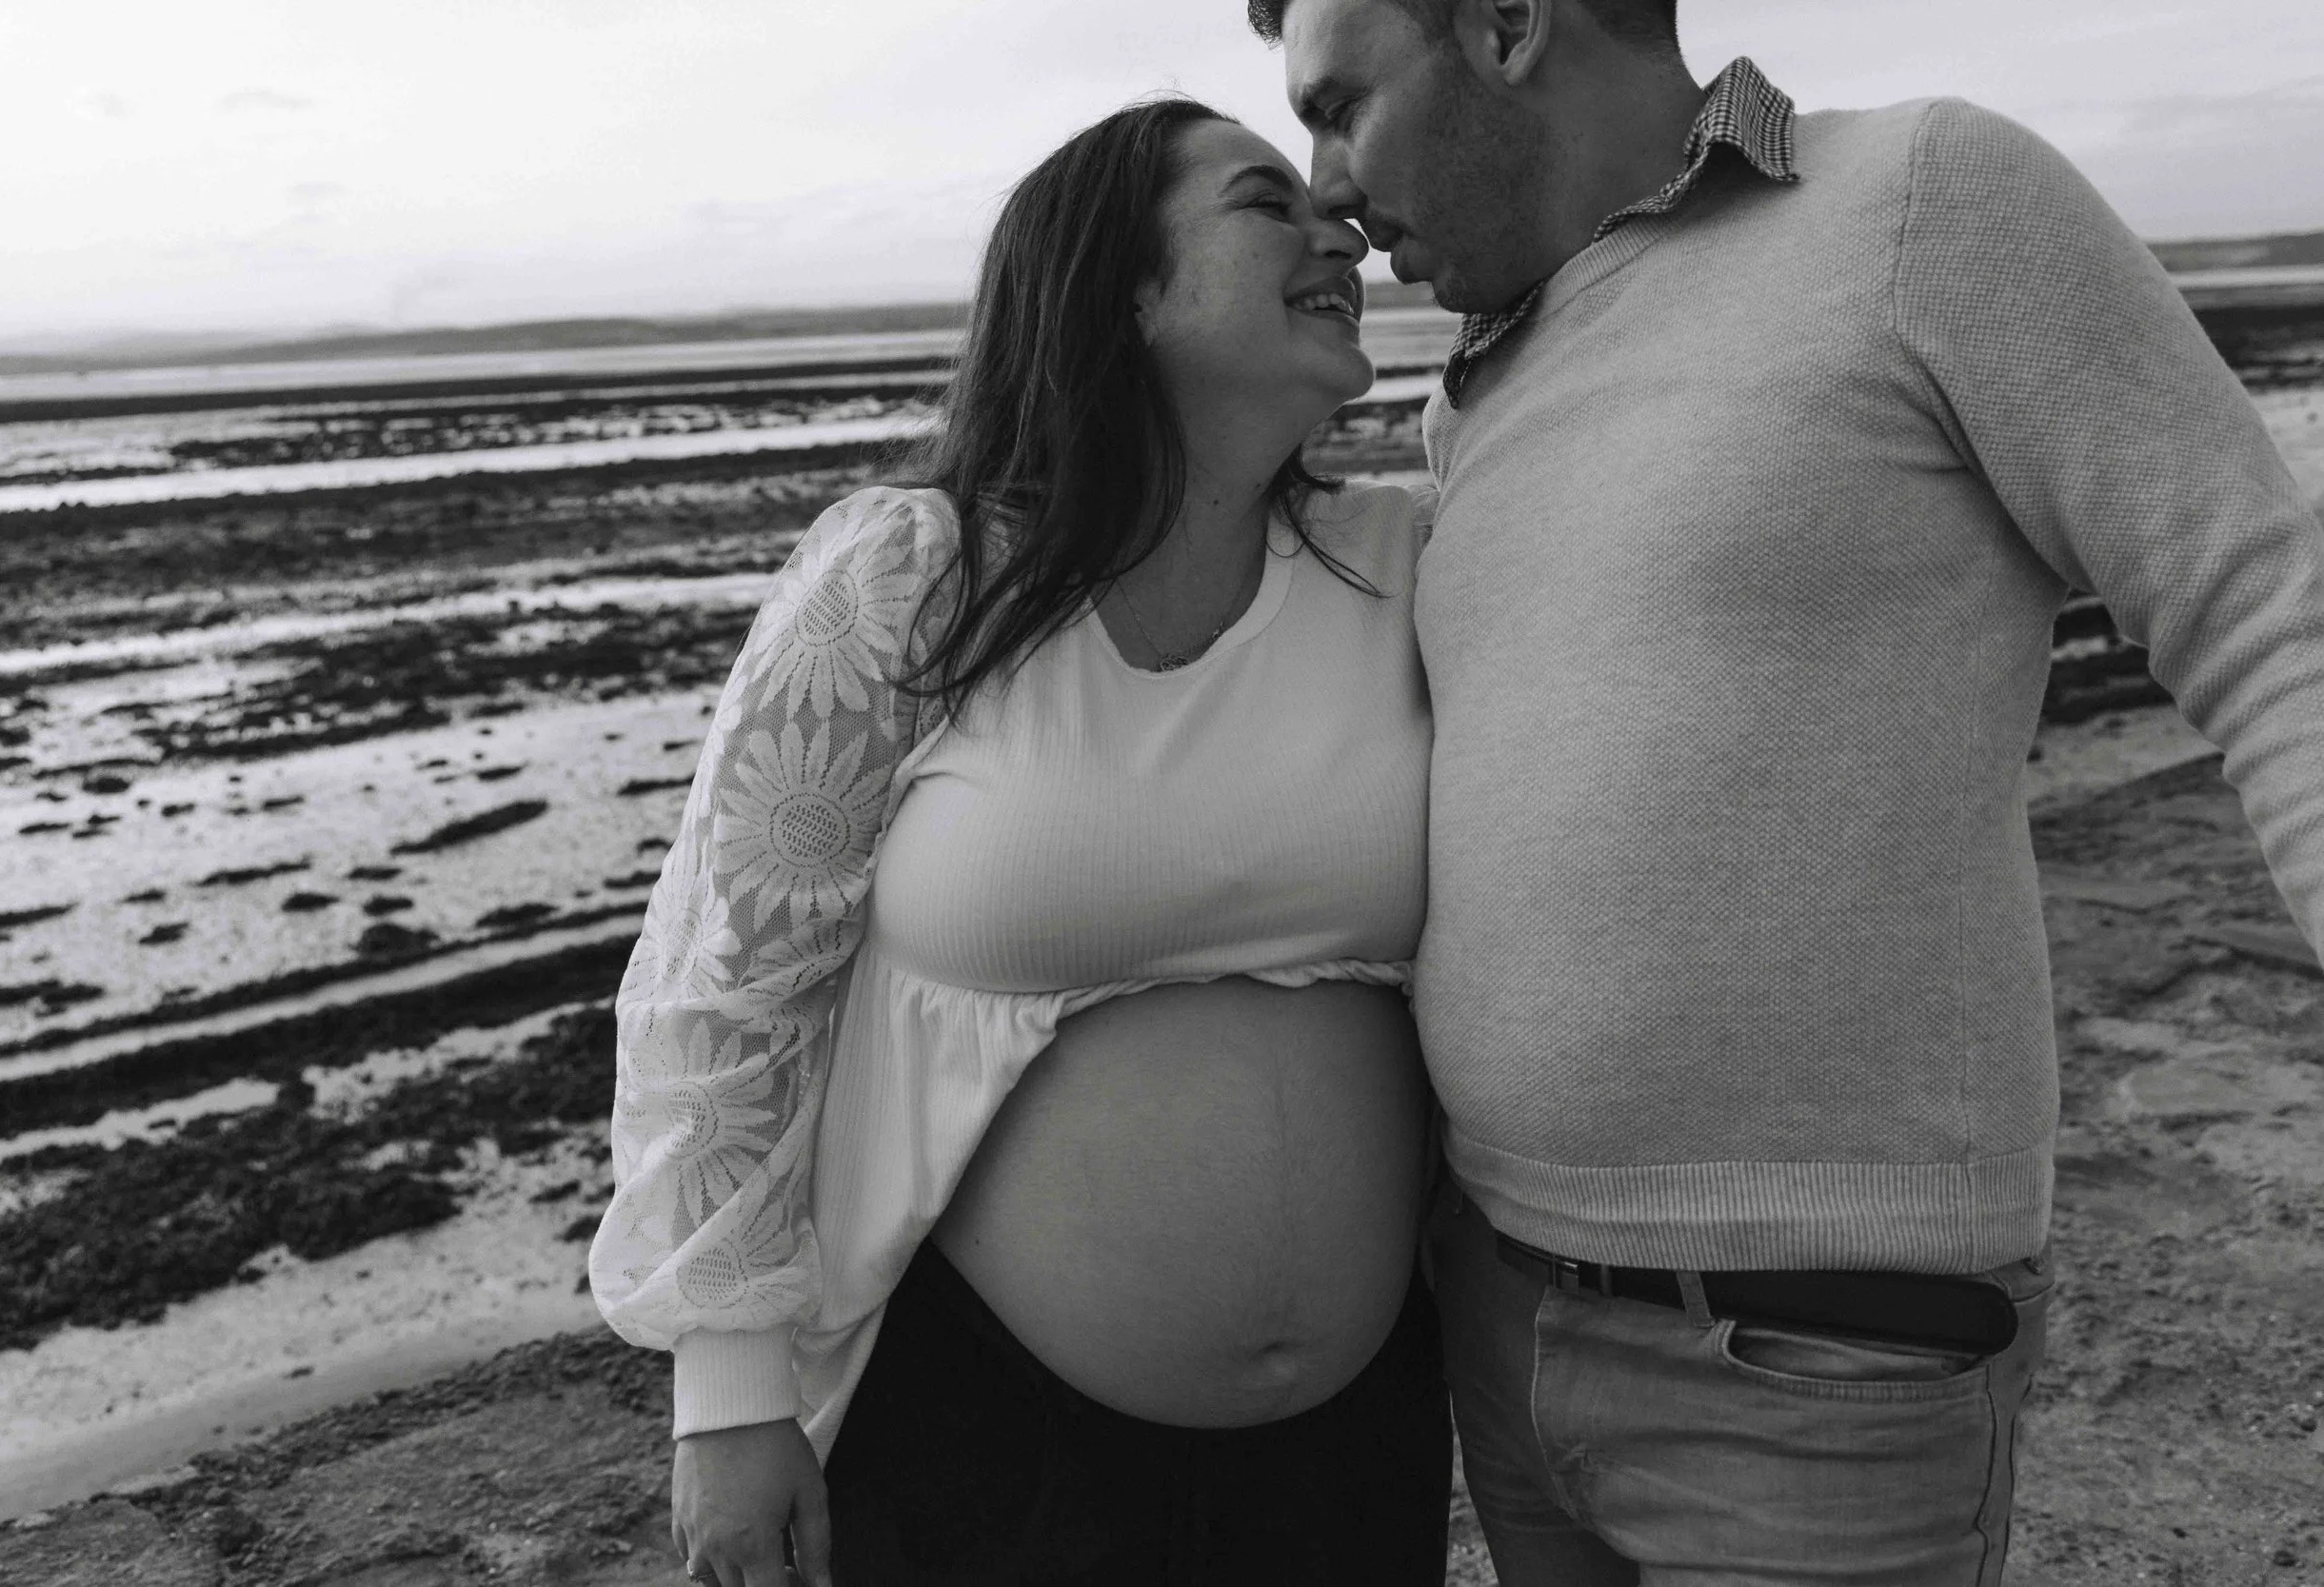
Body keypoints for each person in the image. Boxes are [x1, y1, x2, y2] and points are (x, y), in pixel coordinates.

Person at [1246, 0, 2324, 1581]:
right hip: (1501, 1307)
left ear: (1506, 23)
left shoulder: (1926, 203)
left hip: (1823, 1357)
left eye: (1339, 106)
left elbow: (2266, 614)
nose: (1323, 180)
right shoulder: (1475, 386)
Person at [588, 97, 1454, 1587]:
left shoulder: (1410, 556)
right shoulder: (916, 575)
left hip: (1350, 1453)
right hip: (986, 1434)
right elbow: (727, 983)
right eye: (1267, 205)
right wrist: (726, 1396)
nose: (1341, 230)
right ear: (1118, 288)